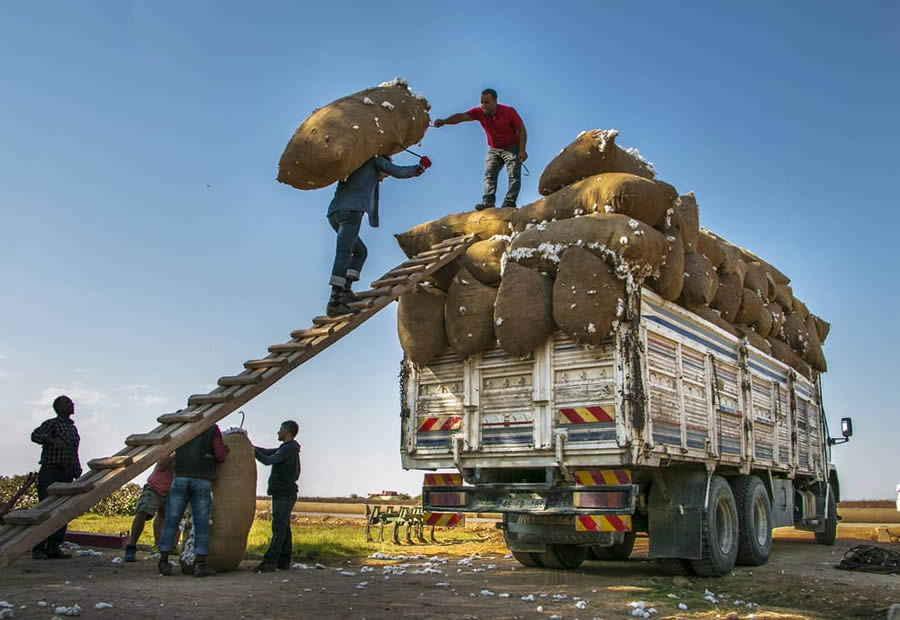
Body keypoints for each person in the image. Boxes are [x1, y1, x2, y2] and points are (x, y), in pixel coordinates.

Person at [325, 154, 431, 317]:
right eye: (384, 175)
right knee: (344, 254)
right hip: (351, 212)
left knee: (360, 252)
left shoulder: (356, 165)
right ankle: (335, 302)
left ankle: (345, 291)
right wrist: (420, 168)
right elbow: (399, 172)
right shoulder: (376, 162)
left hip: (334, 214)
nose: (382, 180)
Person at [433, 88, 528, 210]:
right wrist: (444, 121)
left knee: (514, 175)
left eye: (487, 102)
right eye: (482, 102)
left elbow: (522, 130)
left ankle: (509, 203)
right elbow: (461, 117)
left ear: (495, 102)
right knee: (489, 175)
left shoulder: (509, 112)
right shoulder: (479, 112)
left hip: (511, 148)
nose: (483, 106)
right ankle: (488, 202)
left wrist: (522, 150)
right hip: (493, 149)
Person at [155, 424, 227, 577]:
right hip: (202, 479)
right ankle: (200, 565)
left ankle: (163, 561)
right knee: (201, 523)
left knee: (171, 520)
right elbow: (220, 455)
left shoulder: (182, 426)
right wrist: (221, 452)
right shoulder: (212, 428)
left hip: (180, 477)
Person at [30, 395, 82, 560]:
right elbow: (35, 436)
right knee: (45, 509)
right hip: (51, 471)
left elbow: (73, 451)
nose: (72, 405)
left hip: (66, 472)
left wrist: (76, 468)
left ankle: (53, 548)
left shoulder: (73, 429)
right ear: (59, 407)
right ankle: (38, 549)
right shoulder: (52, 424)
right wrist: (52, 441)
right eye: (67, 403)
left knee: (63, 511)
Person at [251, 420, 302, 573]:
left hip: (284, 494)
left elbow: (268, 460)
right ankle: (284, 561)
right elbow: (268, 451)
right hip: (286, 493)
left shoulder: (288, 450)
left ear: (287, 431)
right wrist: (250, 446)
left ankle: (270, 561)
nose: (278, 432)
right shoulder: (288, 448)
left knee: (278, 528)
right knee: (284, 527)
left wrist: (253, 452)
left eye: (280, 429)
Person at [123, 453, 175, 562]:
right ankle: (131, 546)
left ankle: (160, 546)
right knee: (142, 512)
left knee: (165, 516)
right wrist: (176, 453)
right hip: (155, 486)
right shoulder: (171, 448)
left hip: (172, 489)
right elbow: (161, 465)